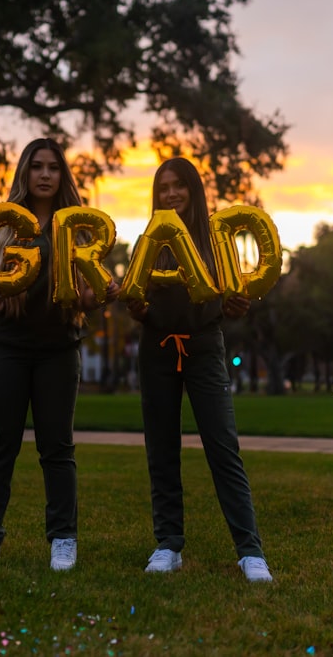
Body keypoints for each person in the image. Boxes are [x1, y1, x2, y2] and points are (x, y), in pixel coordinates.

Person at [0, 137, 120, 572]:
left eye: (54, 167)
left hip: (58, 348)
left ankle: (63, 539)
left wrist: (102, 294)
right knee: (0, 445)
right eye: (38, 167)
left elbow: (85, 295)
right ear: (25, 173)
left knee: (58, 449)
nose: (46, 175)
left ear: (63, 175)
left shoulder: (76, 225)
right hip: (6, 346)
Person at [125, 157, 273, 583]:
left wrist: (235, 307)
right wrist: (137, 308)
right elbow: (142, 305)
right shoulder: (148, 241)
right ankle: (168, 544)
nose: (170, 194)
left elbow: (228, 304)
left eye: (179, 186)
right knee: (162, 449)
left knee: (223, 448)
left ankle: (250, 551)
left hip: (205, 350)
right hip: (157, 352)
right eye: (163, 187)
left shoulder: (217, 241)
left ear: (193, 190)